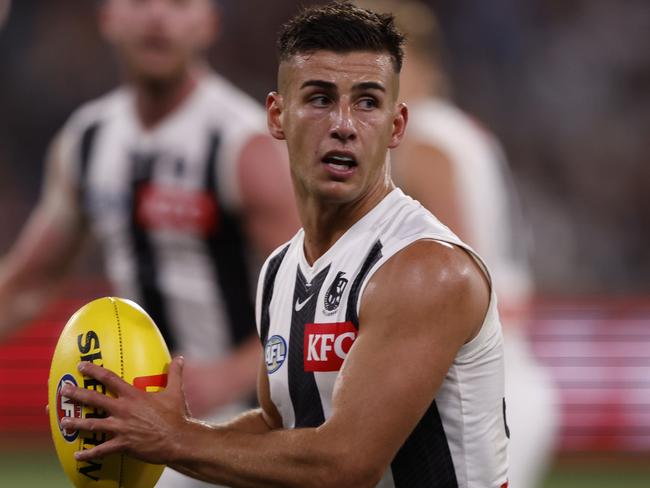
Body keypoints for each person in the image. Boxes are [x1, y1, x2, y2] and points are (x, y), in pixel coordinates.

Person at [59, 3, 509, 486]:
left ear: (396, 126)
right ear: (277, 116)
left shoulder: (423, 268)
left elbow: (345, 464)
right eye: (319, 99)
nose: (344, 124)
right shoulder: (281, 269)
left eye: (367, 102)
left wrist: (174, 440)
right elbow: (280, 427)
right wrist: (173, 430)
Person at [0, 0, 298, 486]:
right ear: (108, 17)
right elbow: (28, 283)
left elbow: (310, 298)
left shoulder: (243, 145)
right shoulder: (88, 139)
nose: (157, 17)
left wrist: (231, 372)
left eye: (179, 4)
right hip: (138, 422)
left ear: (208, 24)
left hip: (236, 422)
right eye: (139, 2)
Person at [353, 1, 559, 486]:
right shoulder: (458, 130)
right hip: (506, 373)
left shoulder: (421, 141)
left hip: (474, 392)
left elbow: (445, 278)